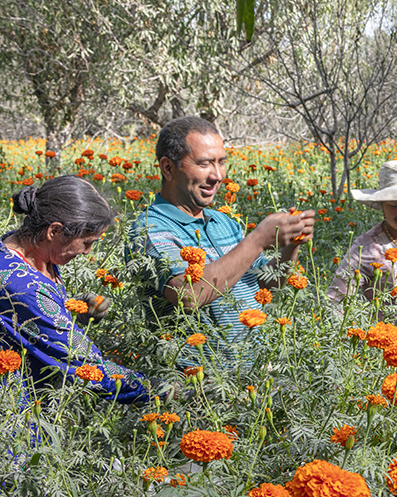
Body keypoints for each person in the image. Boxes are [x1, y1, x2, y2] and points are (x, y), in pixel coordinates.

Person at [129, 116, 315, 369]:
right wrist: (258, 240)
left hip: (250, 377)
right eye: (204, 163)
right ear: (168, 168)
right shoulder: (150, 228)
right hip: (197, 385)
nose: (217, 176)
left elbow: (269, 281)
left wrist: (291, 245)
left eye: (221, 162)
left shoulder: (224, 223)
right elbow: (188, 295)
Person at [0, 177, 155, 404]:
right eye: (86, 242)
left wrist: (71, 309)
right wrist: (160, 390)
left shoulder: (20, 246)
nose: (88, 252)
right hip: (12, 413)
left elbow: (25, 321)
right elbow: (85, 364)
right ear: (55, 231)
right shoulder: (22, 287)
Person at [327, 159, 397, 303]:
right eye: (394, 205)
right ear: (382, 206)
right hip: (383, 324)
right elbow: (336, 298)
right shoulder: (366, 247)